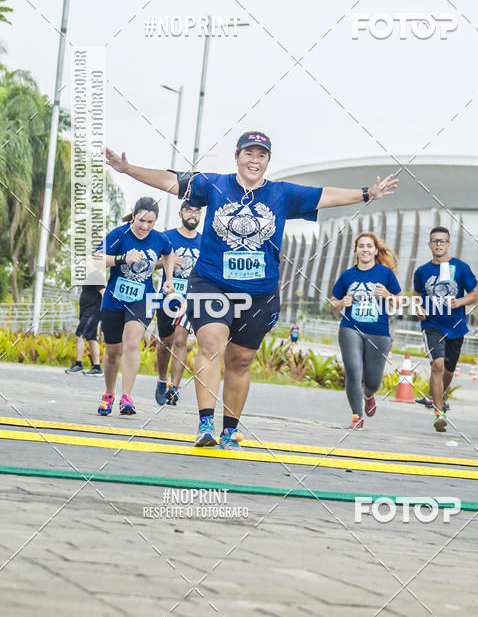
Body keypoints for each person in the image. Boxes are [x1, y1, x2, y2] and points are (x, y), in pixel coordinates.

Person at [105, 132, 397, 449]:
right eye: (248, 154)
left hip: (259, 292)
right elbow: (170, 181)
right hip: (212, 283)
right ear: (237, 157)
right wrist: (128, 169)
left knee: (241, 360)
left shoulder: (282, 194)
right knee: (210, 344)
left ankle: (229, 430)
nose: (254, 160)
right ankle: (205, 423)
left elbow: (325, 196)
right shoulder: (214, 185)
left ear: (268, 161)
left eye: (261, 155)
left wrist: (367, 193)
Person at [95, 197, 174, 416]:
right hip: (114, 299)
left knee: (132, 343)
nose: (145, 227)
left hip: (143, 299)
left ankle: (126, 397)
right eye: (141, 221)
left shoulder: (160, 239)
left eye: (150, 222)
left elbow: (169, 254)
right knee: (113, 352)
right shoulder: (118, 235)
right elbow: (95, 260)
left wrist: (169, 279)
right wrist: (123, 258)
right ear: (133, 216)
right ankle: (109, 394)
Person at [329, 232, 402, 429]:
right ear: (356, 250)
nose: (365, 250)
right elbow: (332, 304)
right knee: (353, 371)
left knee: (373, 381)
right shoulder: (347, 276)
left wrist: (388, 295)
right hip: (350, 328)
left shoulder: (386, 273)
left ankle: (368, 395)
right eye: (361, 246)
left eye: (369, 246)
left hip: (379, 332)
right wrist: (341, 303)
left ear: (376, 250)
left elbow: (400, 302)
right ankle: (357, 417)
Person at [414, 226, 478, 432]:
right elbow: (416, 294)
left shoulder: (461, 268)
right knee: (437, 365)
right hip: (432, 325)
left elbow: (474, 294)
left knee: (448, 373)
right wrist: (418, 308)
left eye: (442, 241)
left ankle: (442, 395)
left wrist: (459, 302)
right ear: (429, 244)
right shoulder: (422, 271)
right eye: (435, 240)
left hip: (456, 327)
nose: (438, 244)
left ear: (449, 244)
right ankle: (438, 413)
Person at [154, 203, 202, 406]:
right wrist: (168, 262)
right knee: (166, 342)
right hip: (168, 296)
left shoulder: (204, 241)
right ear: (180, 213)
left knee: (181, 339)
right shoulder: (167, 237)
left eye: (197, 211)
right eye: (189, 210)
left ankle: (174, 387)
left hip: (190, 298)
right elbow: (149, 264)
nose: (193, 215)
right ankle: (162, 380)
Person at [65, 283, 105, 376]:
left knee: (79, 335)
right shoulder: (88, 278)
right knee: (91, 339)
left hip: (91, 313)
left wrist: (105, 314)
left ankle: (78, 364)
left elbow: (104, 293)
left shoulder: (96, 277)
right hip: (86, 312)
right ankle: (97, 367)